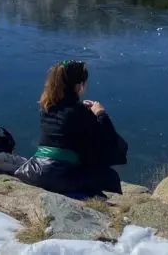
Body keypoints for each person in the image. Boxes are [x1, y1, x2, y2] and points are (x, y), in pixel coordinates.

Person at [15, 60, 127, 197]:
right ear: (79, 86)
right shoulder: (80, 111)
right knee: (110, 176)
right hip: (60, 176)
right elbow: (108, 139)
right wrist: (100, 113)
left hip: (34, 170)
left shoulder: (47, 107)